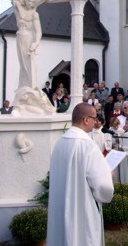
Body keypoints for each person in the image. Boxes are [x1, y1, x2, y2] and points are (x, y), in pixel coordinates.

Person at [47, 103, 114, 246]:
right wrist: (108, 174)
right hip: (82, 208)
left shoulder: (60, 142)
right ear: (85, 119)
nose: (95, 122)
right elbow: (103, 186)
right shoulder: (88, 145)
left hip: (61, 204)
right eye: (94, 118)